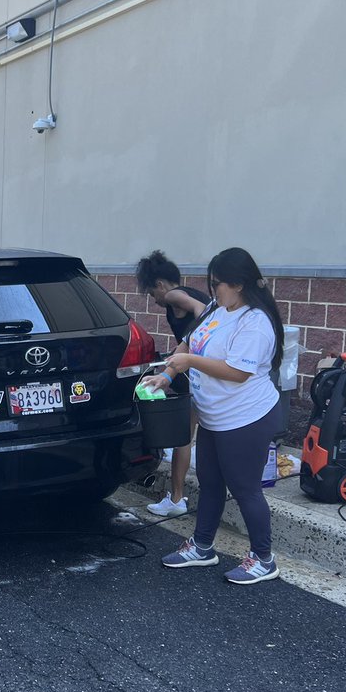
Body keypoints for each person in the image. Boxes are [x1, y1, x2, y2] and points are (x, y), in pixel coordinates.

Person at [139, 247, 285, 584]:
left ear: (239, 284)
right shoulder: (218, 310)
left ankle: (263, 558)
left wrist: (188, 364)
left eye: (217, 283)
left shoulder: (255, 322)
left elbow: (237, 372)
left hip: (246, 418)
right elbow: (188, 344)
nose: (213, 289)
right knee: (211, 482)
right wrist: (167, 375)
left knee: (246, 488)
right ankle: (202, 547)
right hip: (214, 416)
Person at [134, 250, 209, 517]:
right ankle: (178, 498)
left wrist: (185, 349)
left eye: (152, 294)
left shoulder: (174, 295)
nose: (155, 300)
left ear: (160, 285)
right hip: (198, 368)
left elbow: (204, 312)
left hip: (197, 371)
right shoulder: (186, 293)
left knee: (182, 437)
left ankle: (177, 499)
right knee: (188, 436)